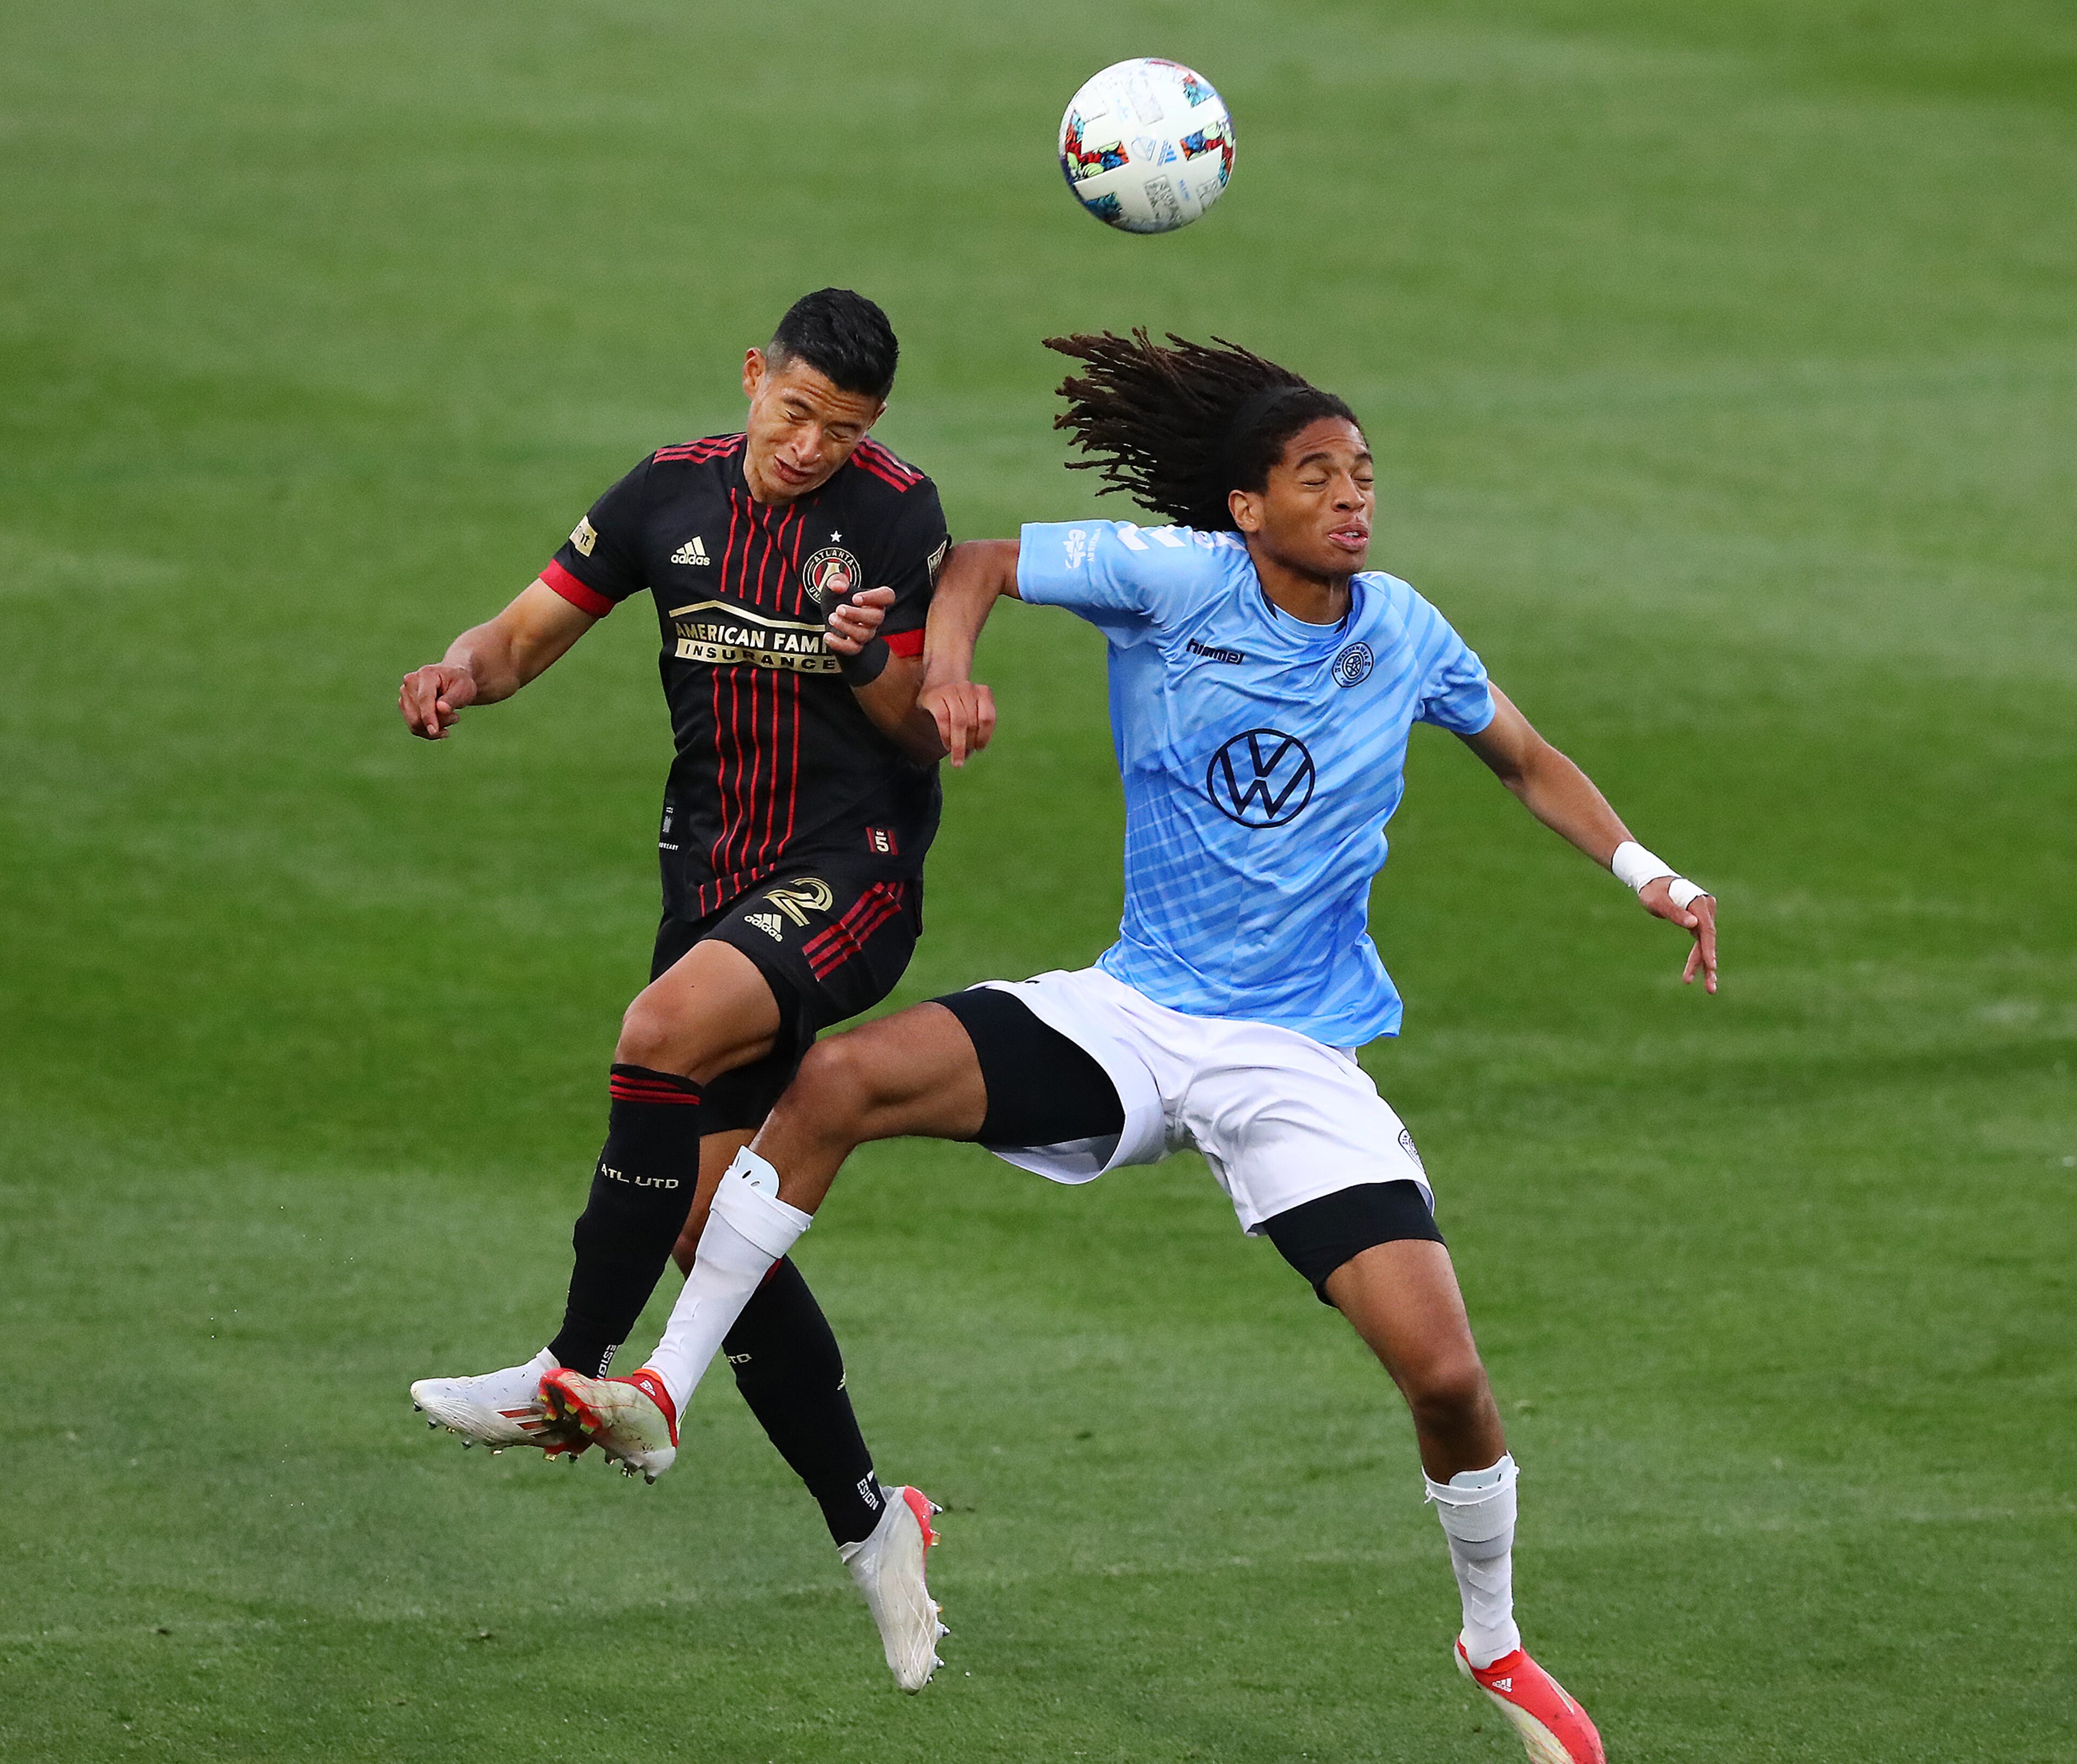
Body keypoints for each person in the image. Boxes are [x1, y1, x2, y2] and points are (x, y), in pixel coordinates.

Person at [546, 330, 1720, 1761]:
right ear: (1245, 506)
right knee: (836, 1081)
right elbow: (972, 560)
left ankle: (1495, 1650)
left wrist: (1652, 876)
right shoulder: (1176, 581)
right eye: (1316, 475)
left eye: (1364, 475)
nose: (1353, 498)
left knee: (1448, 1383)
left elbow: (1527, 760)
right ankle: (662, 1388)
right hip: (1134, 1013)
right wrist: (954, 673)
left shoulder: (1402, 627)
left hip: (1294, 1063)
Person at [397, 288, 951, 1692]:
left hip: (851, 875)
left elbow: (926, 721)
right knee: (716, 1228)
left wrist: (861, 657)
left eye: (848, 426)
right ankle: (876, 1527)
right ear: (755, 375)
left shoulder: (898, 517)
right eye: (799, 409)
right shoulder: (666, 493)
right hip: (710, 889)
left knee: (655, 1036)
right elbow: (527, 633)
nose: (816, 444)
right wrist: (460, 673)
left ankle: (567, 1370)